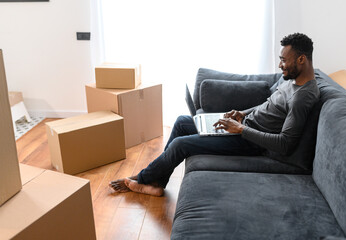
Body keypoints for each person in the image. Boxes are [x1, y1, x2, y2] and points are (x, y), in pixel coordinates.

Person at [109, 33, 320, 197]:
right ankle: (156, 182)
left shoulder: (303, 96)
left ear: (301, 59)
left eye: (284, 60)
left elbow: (285, 144)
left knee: (181, 144)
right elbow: (268, 105)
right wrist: (241, 113)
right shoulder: (291, 80)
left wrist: (241, 129)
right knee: (183, 122)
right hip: (244, 127)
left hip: (251, 142)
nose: (280, 65)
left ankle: (144, 178)